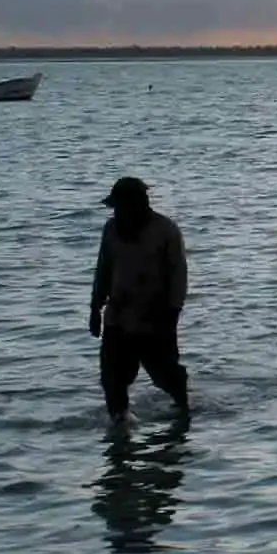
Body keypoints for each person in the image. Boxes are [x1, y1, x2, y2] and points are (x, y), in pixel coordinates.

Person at [89, 177, 190, 422]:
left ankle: (183, 409)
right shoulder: (111, 230)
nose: (118, 213)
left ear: (140, 204)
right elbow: (103, 269)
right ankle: (119, 425)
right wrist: (95, 308)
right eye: (116, 208)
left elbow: (178, 276)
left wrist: (172, 314)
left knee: (164, 374)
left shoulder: (166, 231)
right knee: (112, 377)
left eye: (122, 207)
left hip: (156, 318)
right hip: (118, 316)